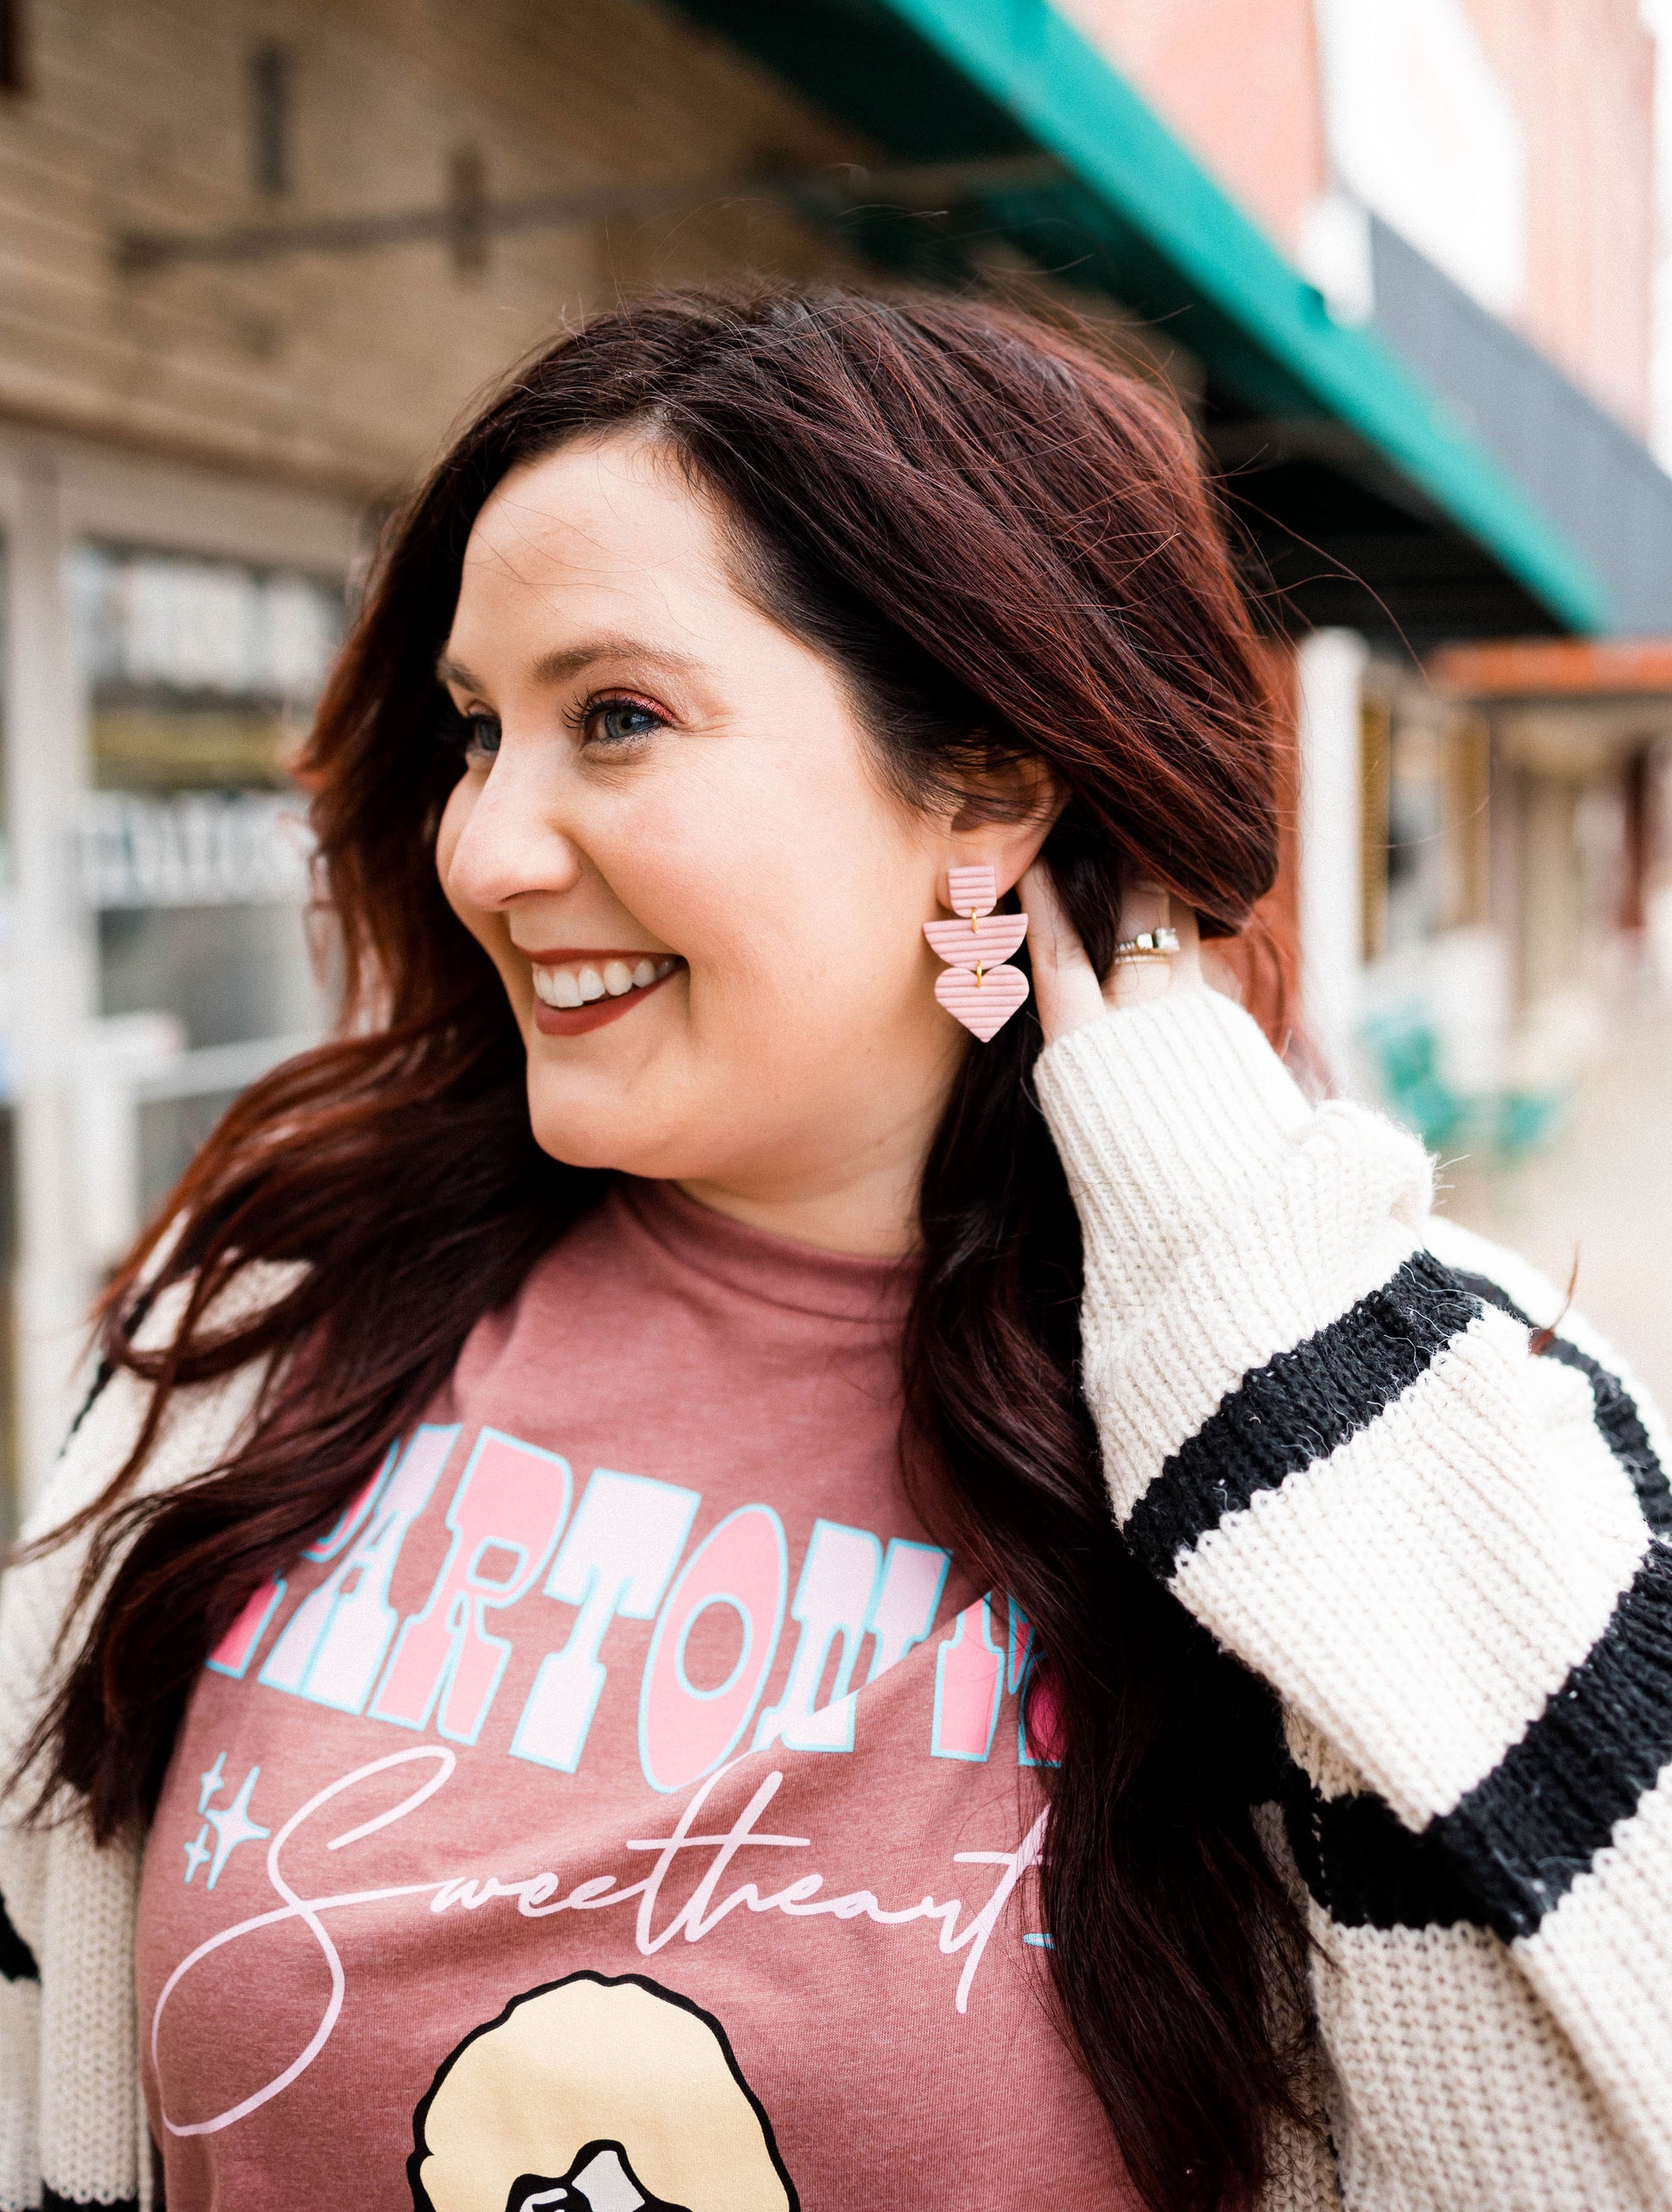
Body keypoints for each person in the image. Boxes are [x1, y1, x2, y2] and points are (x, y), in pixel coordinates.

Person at [1, 290, 1667, 2212]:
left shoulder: (1382, 1413)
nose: (483, 848)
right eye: (476, 730)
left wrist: (1219, 1207)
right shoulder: (262, 1330)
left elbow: (1607, 2088)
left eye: (616, 718)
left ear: (989, 782)